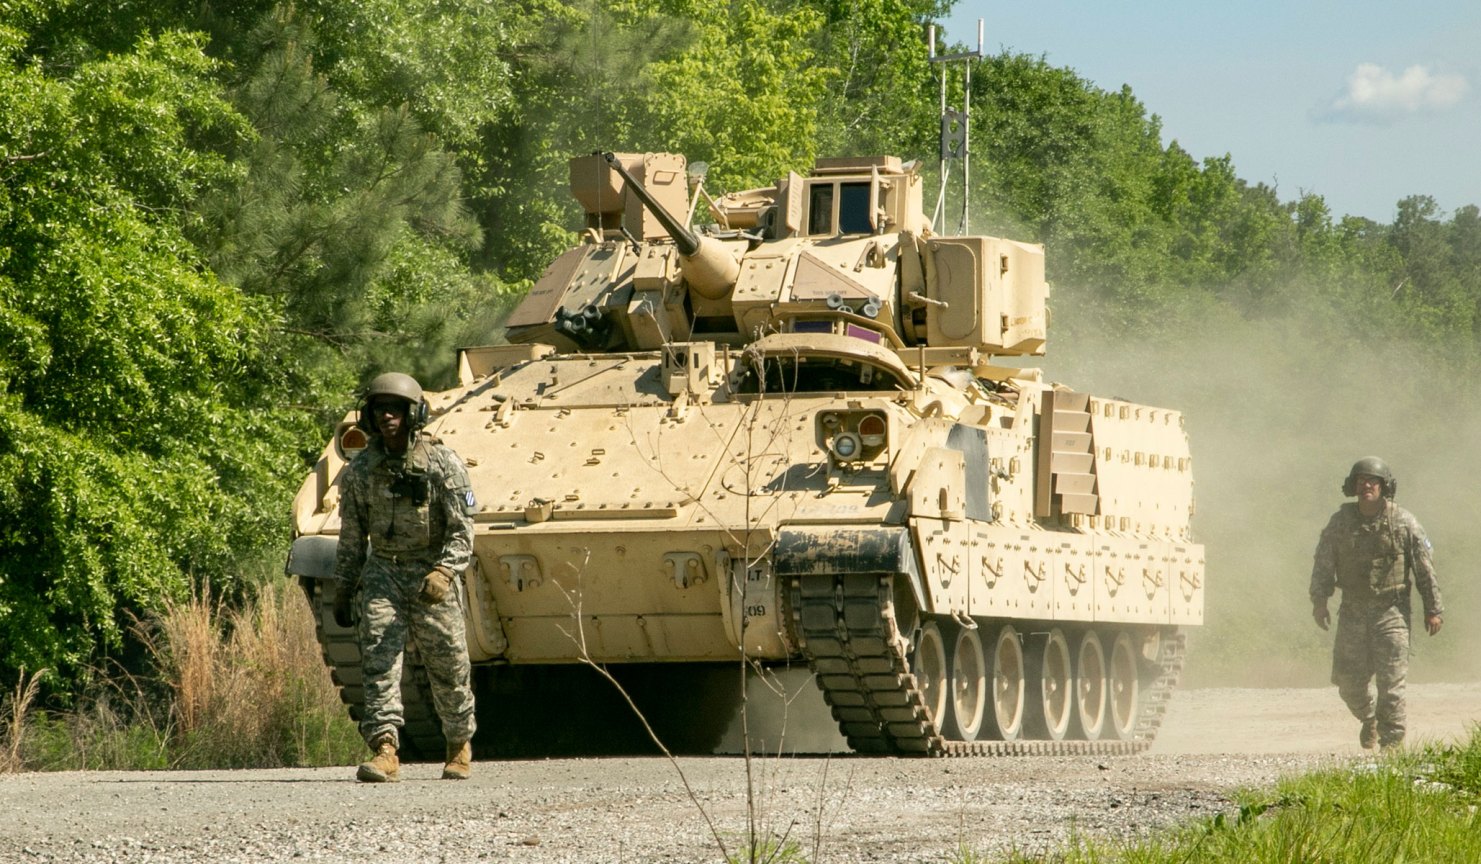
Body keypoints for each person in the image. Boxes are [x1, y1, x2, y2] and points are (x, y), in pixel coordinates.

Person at [332, 372, 479, 781]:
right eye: (380, 410)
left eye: (396, 410)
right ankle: (385, 749)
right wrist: (344, 587)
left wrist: (446, 570)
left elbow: (463, 526)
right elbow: (351, 535)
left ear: (414, 413)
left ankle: (458, 745)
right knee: (378, 659)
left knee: (448, 664)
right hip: (384, 571)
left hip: (430, 573)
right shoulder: (363, 470)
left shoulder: (441, 463)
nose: (387, 418)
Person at [1309, 456, 1443, 752]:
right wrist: (1320, 601)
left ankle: (1392, 745)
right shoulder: (1341, 522)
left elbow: (1423, 567)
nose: (1366, 485)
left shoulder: (1403, 522)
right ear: (1353, 486)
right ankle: (1369, 719)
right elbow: (1323, 563)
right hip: (1353, 610)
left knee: (1391, 685)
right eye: (1361, 481)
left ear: (1384, 487)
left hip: (1391, 611)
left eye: (1373, 481)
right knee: (1347, 683)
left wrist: (1433, 609)